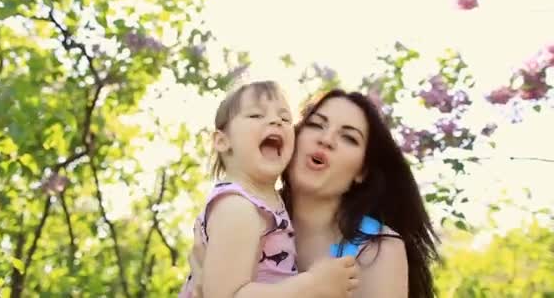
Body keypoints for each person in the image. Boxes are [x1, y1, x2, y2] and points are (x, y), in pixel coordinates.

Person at [188, 88, 440, 298]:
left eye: (349, 138)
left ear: (362, 171)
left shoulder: (378, 248)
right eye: (317, 125)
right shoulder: (245, 212)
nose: (327, 139)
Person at [179, 81, 359, 298]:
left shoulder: (268, 204)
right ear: (222, 141)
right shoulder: (237, 208)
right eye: (256, 115)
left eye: (285, 119)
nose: (275, 121)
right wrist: (311, 286)